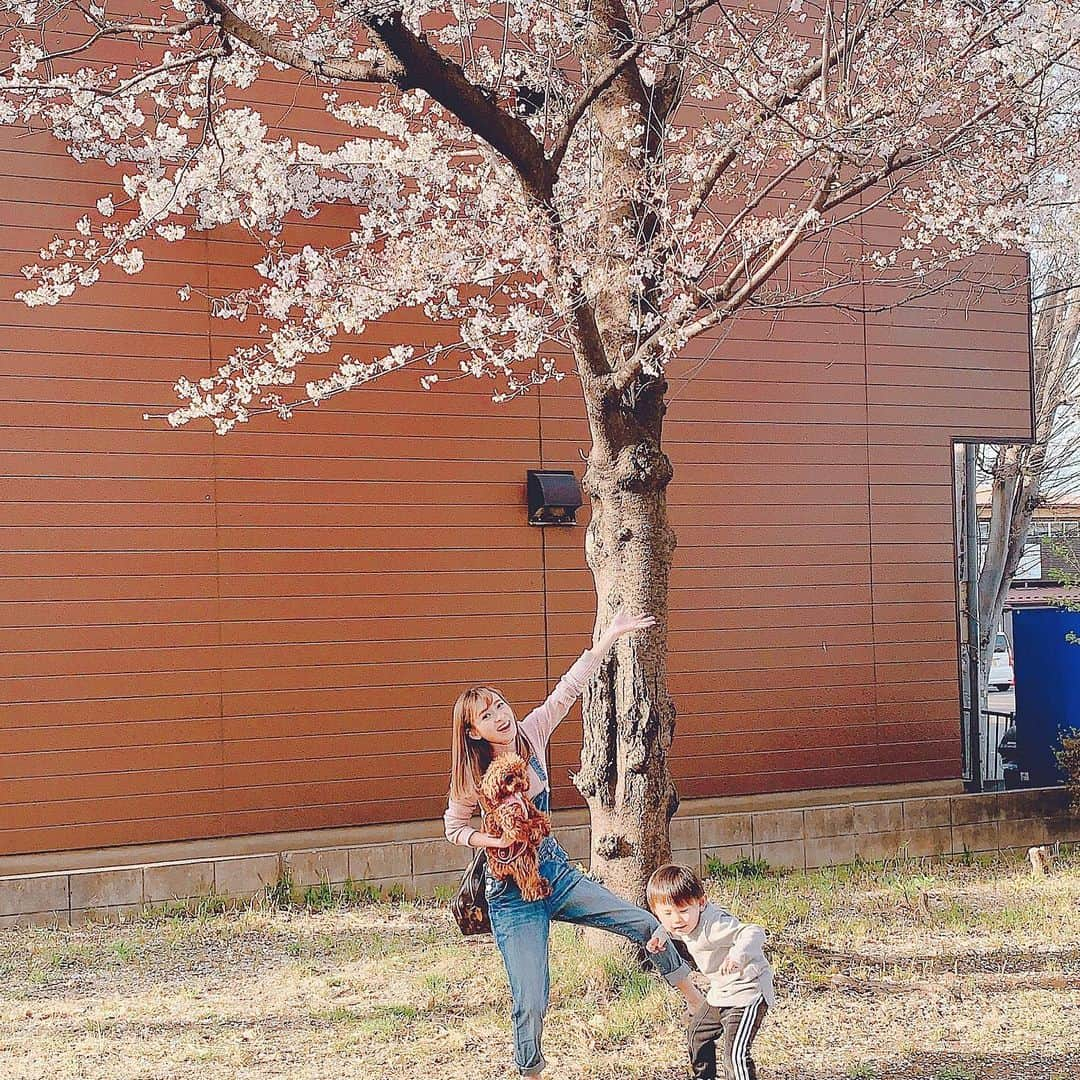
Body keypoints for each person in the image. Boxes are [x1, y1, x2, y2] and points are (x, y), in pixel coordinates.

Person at [444, 608, 704, 1077]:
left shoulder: (532, 735)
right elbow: (453, 828)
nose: (501, 716)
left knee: (645, 923)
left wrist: (610, 637)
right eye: (488, 714)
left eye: (501, 705)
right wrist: (492, 837)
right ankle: (530, 1070)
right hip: (511, 895)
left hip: (556, 873)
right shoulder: (470, 777)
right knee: (531, 998)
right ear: (472, 731)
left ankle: (698, 1006)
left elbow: (570, 687)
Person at [646, 863, 774, 1080]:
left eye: (684, 911)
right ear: (656, 913)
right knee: (697, 1034)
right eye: (667, 913)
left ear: (701, 903)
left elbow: (754, 931)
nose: (676, 919)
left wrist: (736, 956)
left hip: (747, 992)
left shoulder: (714, 925)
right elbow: (670, 928)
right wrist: (660, 937)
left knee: (735, 1056)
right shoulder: (678, 924)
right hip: (721, 993)